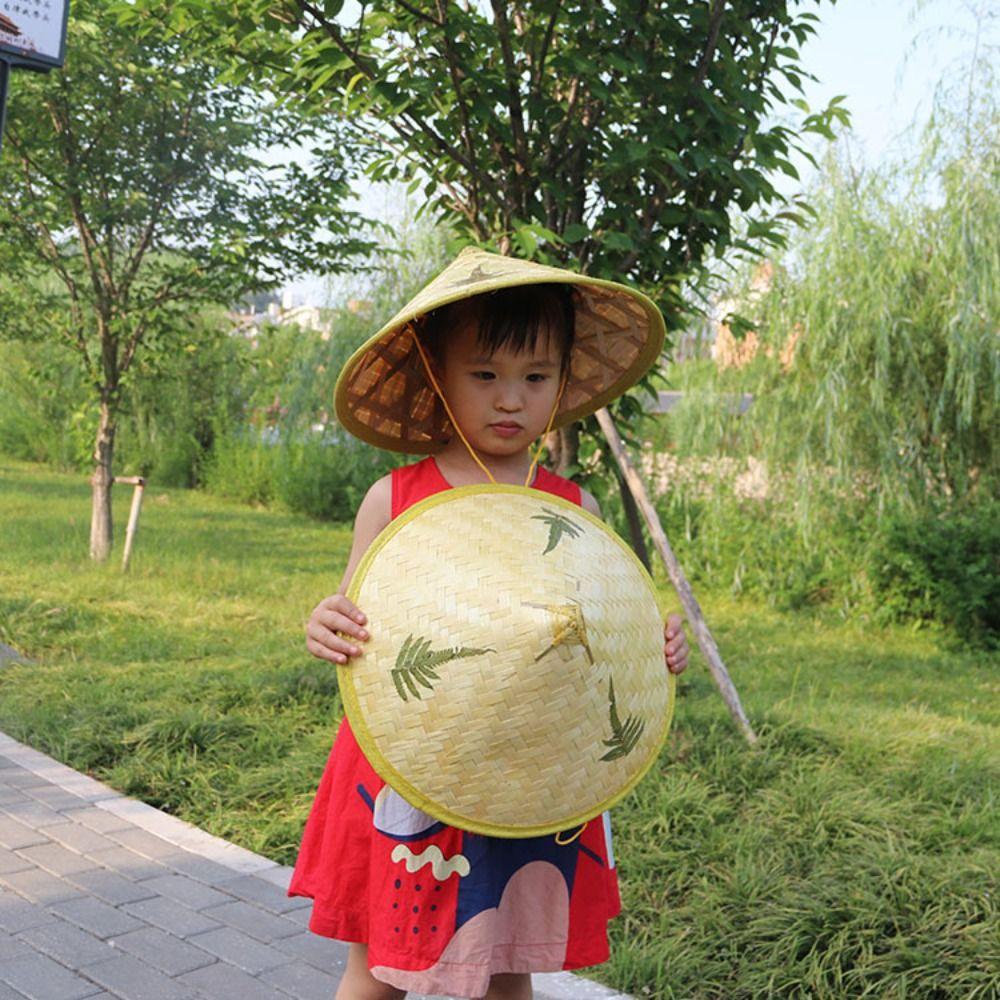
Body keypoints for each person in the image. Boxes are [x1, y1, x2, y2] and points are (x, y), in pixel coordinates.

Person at [289, 249, 690, 1000]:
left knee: (507, 965)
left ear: (562, 381)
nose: (511, 400)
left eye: (535, 377)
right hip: (409, 769)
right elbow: (352, 623)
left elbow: (600, 634)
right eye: (484, 375)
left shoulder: (574, 511)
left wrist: (651, 645)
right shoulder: (394, 501)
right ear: (437, 375)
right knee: (378, 970)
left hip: (529, 776)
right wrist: (326, 626)